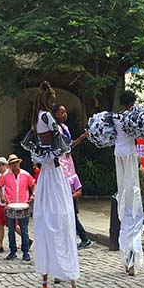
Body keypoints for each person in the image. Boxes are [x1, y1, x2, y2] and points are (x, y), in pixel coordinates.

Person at [88, 90, 144, 275]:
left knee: (126, 203)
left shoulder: (114, 118)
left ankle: (128, 261)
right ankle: (130, 261)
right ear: (132, 103)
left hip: (119, 156)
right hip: (130, 157)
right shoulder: (132, 117)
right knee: (132, 203)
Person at [27, 81, 80, 288]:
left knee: (46, 223)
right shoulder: (47, 118)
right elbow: (62, 145)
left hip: (47, 175)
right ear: (48, 100)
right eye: (53, 100)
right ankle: (71, 282)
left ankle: (45, 282)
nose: (55, 104)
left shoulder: (36, 119)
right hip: (54, 174)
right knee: (63, 221)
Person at [54, 104, 92, 248]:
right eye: (62, 112)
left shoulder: (65, 128)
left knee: (69, 212)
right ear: (56, 114)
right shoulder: (56, 129)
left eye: (65, 112)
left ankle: (81, 237)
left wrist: (81, 137)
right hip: (62, 164)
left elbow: (69, 145)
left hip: (68, 166)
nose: (65, 115)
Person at [0, 154, 35, 261]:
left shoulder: (25, 174)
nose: (15, 165)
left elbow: (33, 185)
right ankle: (12, 251)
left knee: (24, 229)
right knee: (11, 229)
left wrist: (33, 195)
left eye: (16, 163)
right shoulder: (6, 176)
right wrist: (2, 196)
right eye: (12, 163)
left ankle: (25, 251)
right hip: (10, 205)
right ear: (10, 165)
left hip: (23, 204)